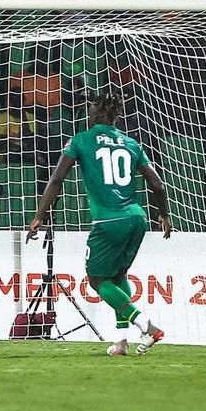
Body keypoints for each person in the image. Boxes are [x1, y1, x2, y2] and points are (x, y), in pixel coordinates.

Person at [27, 92, 172, 357]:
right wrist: (164, 214)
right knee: (118, 275)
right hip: (137, 218)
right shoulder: (131, 143)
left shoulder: (81, 140)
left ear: (94, 114)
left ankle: (146, 326)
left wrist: (39, 215)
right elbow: (157, 184)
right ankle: (122, 342)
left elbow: (57, 179)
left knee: (97, 279)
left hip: (108, 220)